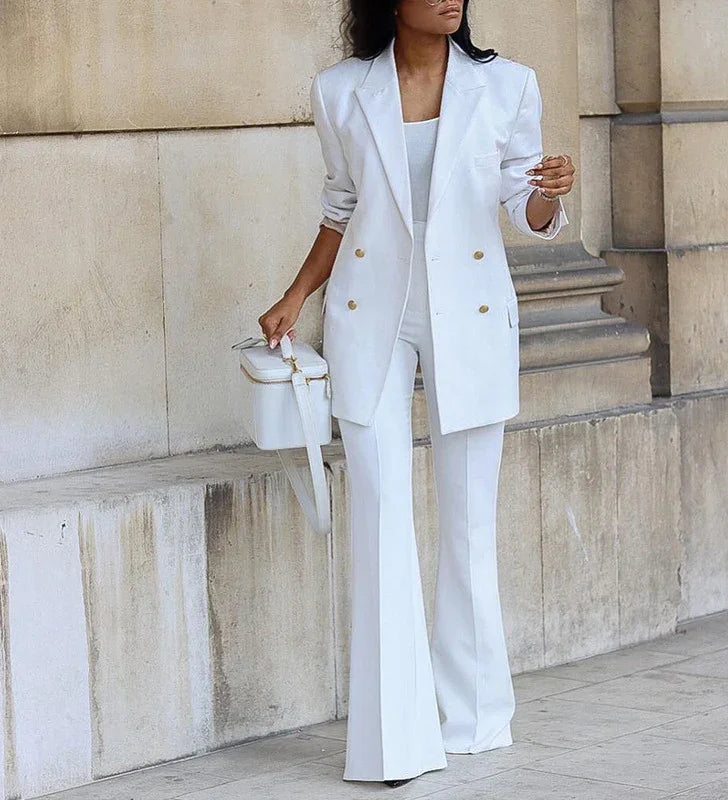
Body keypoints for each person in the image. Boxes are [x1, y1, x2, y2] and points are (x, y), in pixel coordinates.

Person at [258, 0, 575, 788]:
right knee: (379, 519)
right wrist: (296, 297)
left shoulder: (508, 86)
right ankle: (393, 739)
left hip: (467, 315)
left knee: (469, 522)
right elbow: (341, 208)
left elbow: (525, 209)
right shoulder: (340, 91)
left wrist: (550, 191)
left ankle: (472, 719)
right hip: (374, 317)